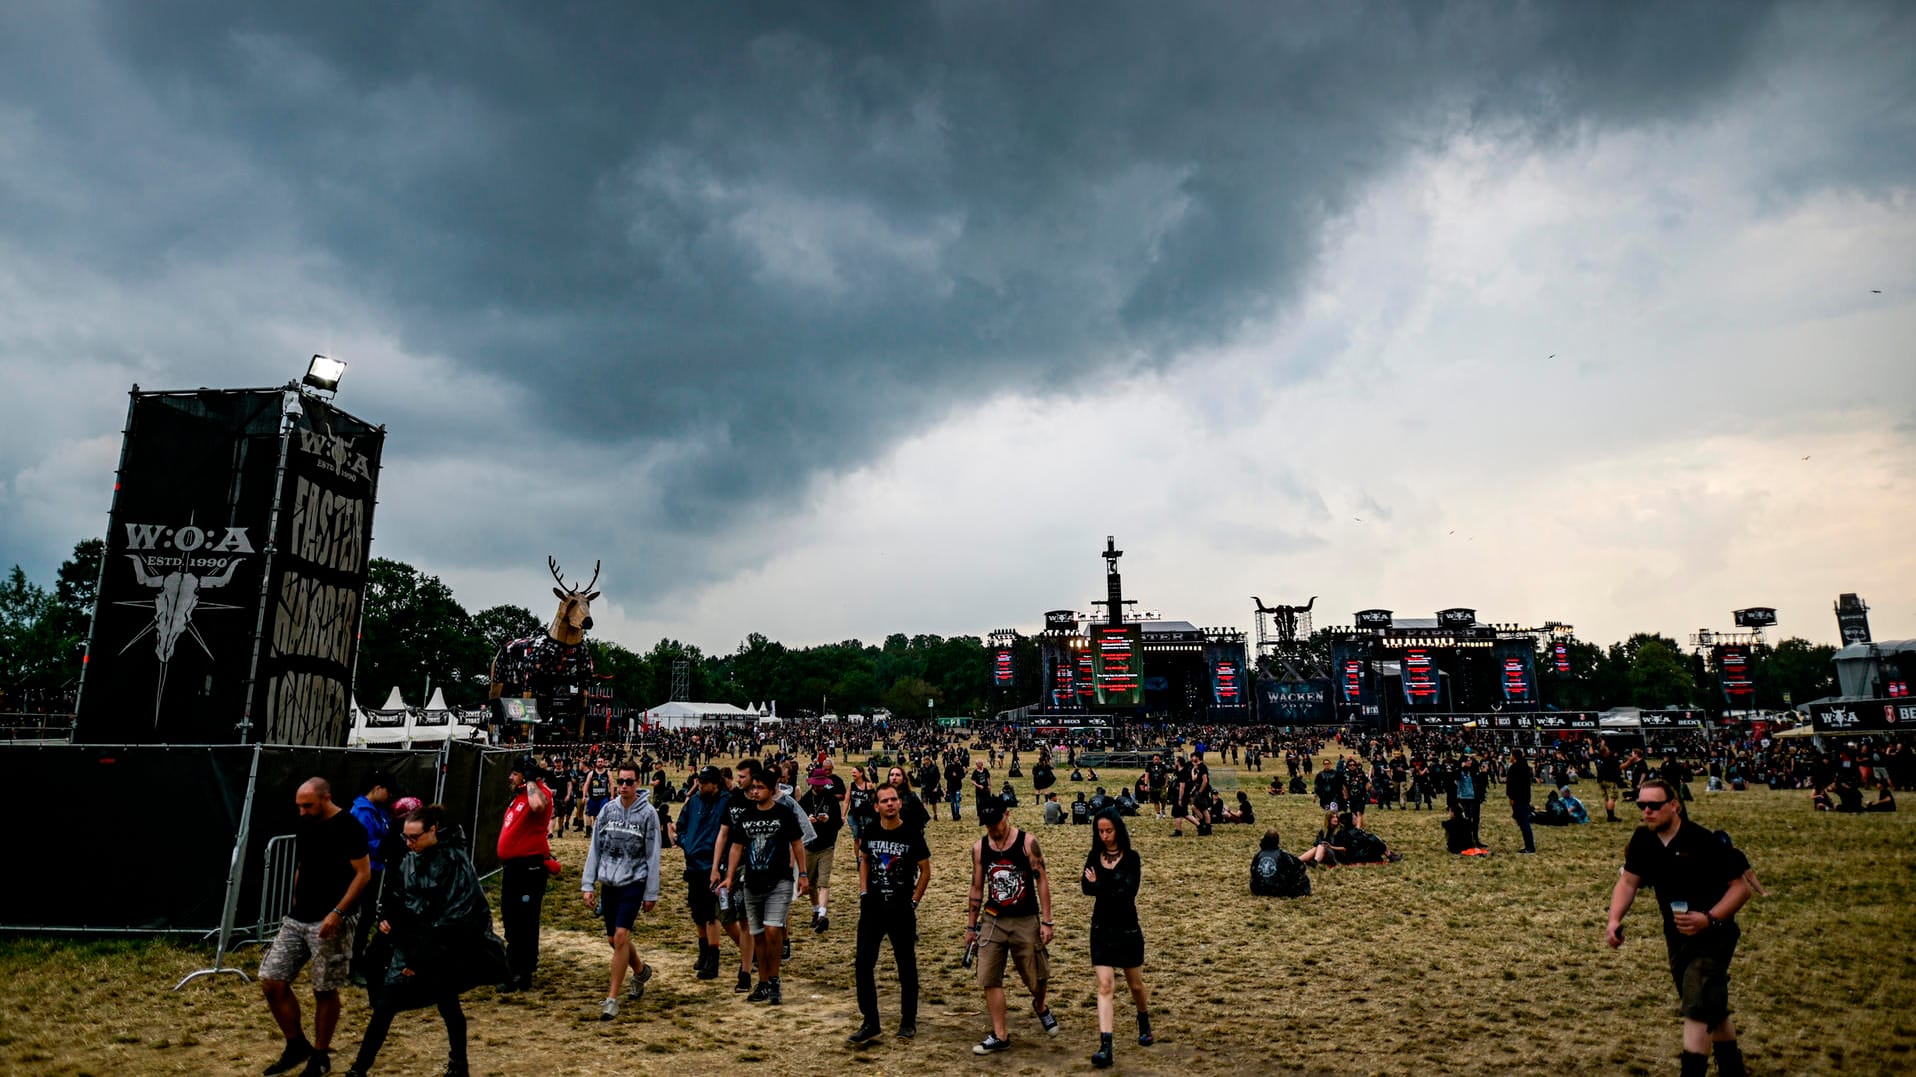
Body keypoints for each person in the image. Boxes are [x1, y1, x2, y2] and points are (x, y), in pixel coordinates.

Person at [342, 805, 506, 1077]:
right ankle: (359, 1069)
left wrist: (422, 955)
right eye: (405, 837)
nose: (409, 843)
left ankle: (458, 1065)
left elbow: (461, 911)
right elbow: (397, 891)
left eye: (414, 837)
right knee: (388, 1005)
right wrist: (387, 916)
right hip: (410, 940)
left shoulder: (454, 861)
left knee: (445, 1003)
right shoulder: (410, 858)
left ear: (433, 830)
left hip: (440, 946)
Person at [1605, 779, 1754, 1077]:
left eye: (1654, 805)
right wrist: (1614, 919)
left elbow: (1741, 889)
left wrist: (1709, 918)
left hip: (1714, 934)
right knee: (1706, 1002)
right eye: (1641, 805)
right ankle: (1732, 1068)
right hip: (1677, 935)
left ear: (1674, 806)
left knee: (1696, 1006)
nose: (1646, 811)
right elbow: (1628, 882)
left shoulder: (1703, 841)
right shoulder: (1643, 840)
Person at [260, 778, 372, 1077]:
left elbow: (363, 874)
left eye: (307, 805)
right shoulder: (306, 823)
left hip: (333, 918)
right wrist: (296, 898)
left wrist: (338, 913)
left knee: (324, 988)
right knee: (272, 979)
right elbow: (303, 864)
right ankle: (296, 1044)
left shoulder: (350, 826)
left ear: (326, 798)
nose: (301, 811)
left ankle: (320, 1055)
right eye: (298, 805)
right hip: (298, 917)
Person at [965, 795, 1059, 1055]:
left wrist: (1047, 920)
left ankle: (1040, 1006)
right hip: (993, 920)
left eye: (996, 821)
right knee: (988, 976)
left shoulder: (1027, 843)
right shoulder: (980, 848)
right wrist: (971, 927)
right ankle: (1000, 1034)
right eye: (987, 824)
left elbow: (1041, 880)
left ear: (1007, 814)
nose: (993, 828)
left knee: (1038, 977)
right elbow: (976, 887)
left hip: (1025, 919)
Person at [847, 784, 932, 1044]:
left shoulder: (911, 833)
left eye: (894, 799)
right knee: (863, 963)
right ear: (877, 806)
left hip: (901, 909)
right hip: (873, 907)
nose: (890, 804)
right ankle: (870, 1021)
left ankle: (908, 1020)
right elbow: (864, 859)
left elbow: (925, 871)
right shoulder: (870, 829)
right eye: (885, 801)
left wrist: (914, 901)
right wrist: (863, 892)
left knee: (906, 965)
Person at [581, 763, 661, 1021]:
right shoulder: (607, 810)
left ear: (638, 783)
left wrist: (651, 892)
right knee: (614, 941)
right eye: (622, 782)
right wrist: (588, 884)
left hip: (634, 881)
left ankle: (612, 999)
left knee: (621, 935)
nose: (625, 786)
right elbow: (595, 848)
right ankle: (640, 970)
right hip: (609, 881)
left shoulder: (648, 814)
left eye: (629, 782)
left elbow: (653, 854)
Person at [722, 771, 809, 1005]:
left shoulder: (784, 813)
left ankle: (775, 979)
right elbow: (736, 848)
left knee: (772, 930)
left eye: (760, 787)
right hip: (752, 881)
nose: (754, 791)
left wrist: (802, 873)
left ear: (772, 789)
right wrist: (729, 877)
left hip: (779, 880)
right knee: (758, 934)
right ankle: (762, 982)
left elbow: (797, 843)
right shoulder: (746, 816)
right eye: (753, 787)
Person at [1081, 809, 1151, 1068]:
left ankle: (1143, 1019)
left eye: (1109, 830)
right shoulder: (1093, 856)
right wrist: (1103, 886)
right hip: (1101, 928)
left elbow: (1128, 892)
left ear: (1118, 830)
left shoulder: (1132, 858)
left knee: (1135, 985)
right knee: (1105, 985)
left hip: (1127, 929)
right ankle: (1105, 1046)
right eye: (1100, 831)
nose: (1105, 836)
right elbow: (1085, 887)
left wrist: (1100, 884)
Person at [495, 756, 553, 992]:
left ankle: (523, 971)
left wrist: (531, 780)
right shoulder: (519, 796)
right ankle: (514, 963)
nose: (511, 777)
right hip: (513, 867)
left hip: (529, 868)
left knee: (525, 919)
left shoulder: (539, 793)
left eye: (515, 773)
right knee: (510, 916)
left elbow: (538, 806)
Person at [675, 767, 729, 980]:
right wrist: (685, 842)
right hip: (693, 865)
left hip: (713, 866)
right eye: (699, 781)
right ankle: (703, 952)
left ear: (715, 783)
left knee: (711, 914)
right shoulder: (694, 802)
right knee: (697, 913)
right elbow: (680, 826)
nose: (700, 785)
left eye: (704, 782)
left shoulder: (726, 801)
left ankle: (713, 960)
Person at [346, 770, 396, 986]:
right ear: (377, 788)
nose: (390, 796)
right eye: (388, 791)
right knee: (358, 919)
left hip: (372, 870)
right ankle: (351, 964)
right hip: (360, 872)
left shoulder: (378, 811)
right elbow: (361, 843)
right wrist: (386, 846)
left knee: (365, 918)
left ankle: (357, 960)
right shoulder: (363, 812)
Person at [801, 766, 844, 933]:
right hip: (809, 846)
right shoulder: (805, 800)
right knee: (811, 884)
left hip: (826, 846)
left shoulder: (831, 800)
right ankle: (815, 909)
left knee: (823, 882)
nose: (819, 787)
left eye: (821, 785)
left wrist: (829, 820)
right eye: (816, 785)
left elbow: (839, 823)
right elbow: (797, 822)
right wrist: (807, 820)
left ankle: (822, 915)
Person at [1249, 828, 1310, 897]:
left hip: (1258, 889)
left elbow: (1252, 871)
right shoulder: (1283, 855)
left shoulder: (1258, 855)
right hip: (1277, 890)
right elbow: (1298, 868)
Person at [1507, 749, 1537, 854]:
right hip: (1525, 798)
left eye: (1511, 755)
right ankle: (1529, 845)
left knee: (1524, 823)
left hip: (1517, 799)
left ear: (1514, 756)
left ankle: (1529, 847)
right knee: (1523, 822)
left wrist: (1511, 797)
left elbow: (1510, 785)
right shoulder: (1525, 767)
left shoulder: (1514, 768)